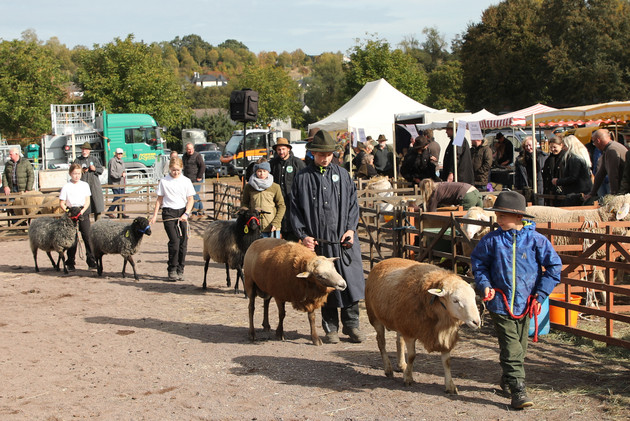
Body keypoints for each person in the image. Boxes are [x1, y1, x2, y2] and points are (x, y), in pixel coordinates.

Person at [471, 191, 561, 409]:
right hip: (499, 302)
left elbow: (554, 267)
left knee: (519, 347)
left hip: (526, 302)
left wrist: (540, 294)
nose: (499, 219)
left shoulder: (537, 241)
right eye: (498, 215)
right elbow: (479, 264)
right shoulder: (491, 241)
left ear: (519, 217)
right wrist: (485, 285)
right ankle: (519, 391)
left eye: (503, 215)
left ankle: (508, 377)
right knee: (512, 346)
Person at [289, 130, 365, 344]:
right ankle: (330, 328)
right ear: (313, 153)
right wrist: (303, 236)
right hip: (319, 244)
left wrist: (351, 229)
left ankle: (352, 327)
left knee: (350, 283)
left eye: (329, 154)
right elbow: (294, 210)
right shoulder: (302, 178)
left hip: (344, 243)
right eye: (321, 154)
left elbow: (353, 205)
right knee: (324, 285)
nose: (326, 157)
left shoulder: (342, 175)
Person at [149, 156, 195, 281]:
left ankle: (181, 269)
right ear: (170, 169)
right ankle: (172, 268)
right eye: (174, 170)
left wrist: (186, 213)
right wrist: (154, 216)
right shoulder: (164, 181)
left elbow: (190, 199)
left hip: (182, 212)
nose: (176, 173)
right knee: (174, 241)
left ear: (182, 169)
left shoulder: (186, 181)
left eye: (178, 170)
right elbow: (159, 199)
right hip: (169, 212)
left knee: (183, 242)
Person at [59, 163, 97, 271]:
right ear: (70, 173)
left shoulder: (84, 185)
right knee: (72, 240)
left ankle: (91, 261)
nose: (77, 176)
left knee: (87, 237)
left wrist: (82, 211)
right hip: (71, 213)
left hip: (82, 212)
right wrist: (68, 211)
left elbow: (87, 201)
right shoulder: (66, 187)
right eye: (74, 173)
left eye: (79, 173)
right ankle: (70, 262)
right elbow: (62, 203)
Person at [269, 137, 306, 241]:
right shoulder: (272, 164)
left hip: (292, 202)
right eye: (279, 150)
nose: (281, 152)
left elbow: (305, 180)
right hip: (277, 202)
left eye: (283, 149)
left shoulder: (297, 163)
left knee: (292, 229)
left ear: (288, 149)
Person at [242, 160, 286, 238]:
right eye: (259, 171)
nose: (262, 174)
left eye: (264, 171)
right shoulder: (249, 187)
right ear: (255, 171)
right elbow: (245, 203)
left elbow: (281, 206)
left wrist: (276, 223)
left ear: (268, 171)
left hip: (271, 227)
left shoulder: (275, 187)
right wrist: (247, 217)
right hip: (254, 227)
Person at [585, 129, 627, 201]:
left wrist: (614, 195)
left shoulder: (611, 150)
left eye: (594, 142)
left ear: (598, 140)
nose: (594, 145)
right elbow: (601, 173)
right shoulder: (609, 148)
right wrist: (592, 193)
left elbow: (613, 174)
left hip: (624, 189)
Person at [553, 135, 593, 205]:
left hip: (577, 193)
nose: (563, 148)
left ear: (570, 146)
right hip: (583, 190)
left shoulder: (574, 159)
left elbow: (573, 177)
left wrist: (558, 181)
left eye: (565, 145)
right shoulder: (582, 157)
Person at [73, 142, 104, 221]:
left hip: (94, 185)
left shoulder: (94, 159)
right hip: (82, 186)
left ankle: (97, 225)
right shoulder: (77, 160)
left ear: (89, 150)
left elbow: (101, 170)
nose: (84, 151)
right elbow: (72, 171)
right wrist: (81, 171)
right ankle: (86, 227)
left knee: (96, 205)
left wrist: (95, 169)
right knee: (84, 207)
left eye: (86, 149)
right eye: (83, 149)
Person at [514, 137, 546, 205]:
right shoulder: (520, 159)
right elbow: (517, 175)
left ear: (535, 145)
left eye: (530, 145)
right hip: (526, 186)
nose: (528, 148)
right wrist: (516, 187)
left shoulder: (542, 157)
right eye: (526, 146)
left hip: (539, 186)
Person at [182, 142, 205, 218]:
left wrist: (199, 176)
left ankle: (195, 212)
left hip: (196, 179)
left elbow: (202, 166)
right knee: (195, 195)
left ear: (193, 149)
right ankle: (201, 210)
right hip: (188, 179)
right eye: (188, 149)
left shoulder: (197, 156)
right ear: (186, 149)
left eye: (191, 149)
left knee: (194, 195)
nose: (190, 151)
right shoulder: (184, 156)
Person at [106, 148, 127, 218]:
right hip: (115, 182)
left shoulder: (122, 161)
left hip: (121, 183)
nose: (120, 155)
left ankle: (121, 213)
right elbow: (112, 173)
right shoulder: (112, 161)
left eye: (121, 153)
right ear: (116, 153)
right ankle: (110, 211)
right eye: (119, 153)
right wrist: (120, 175)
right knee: (118, 197)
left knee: (122, 198)